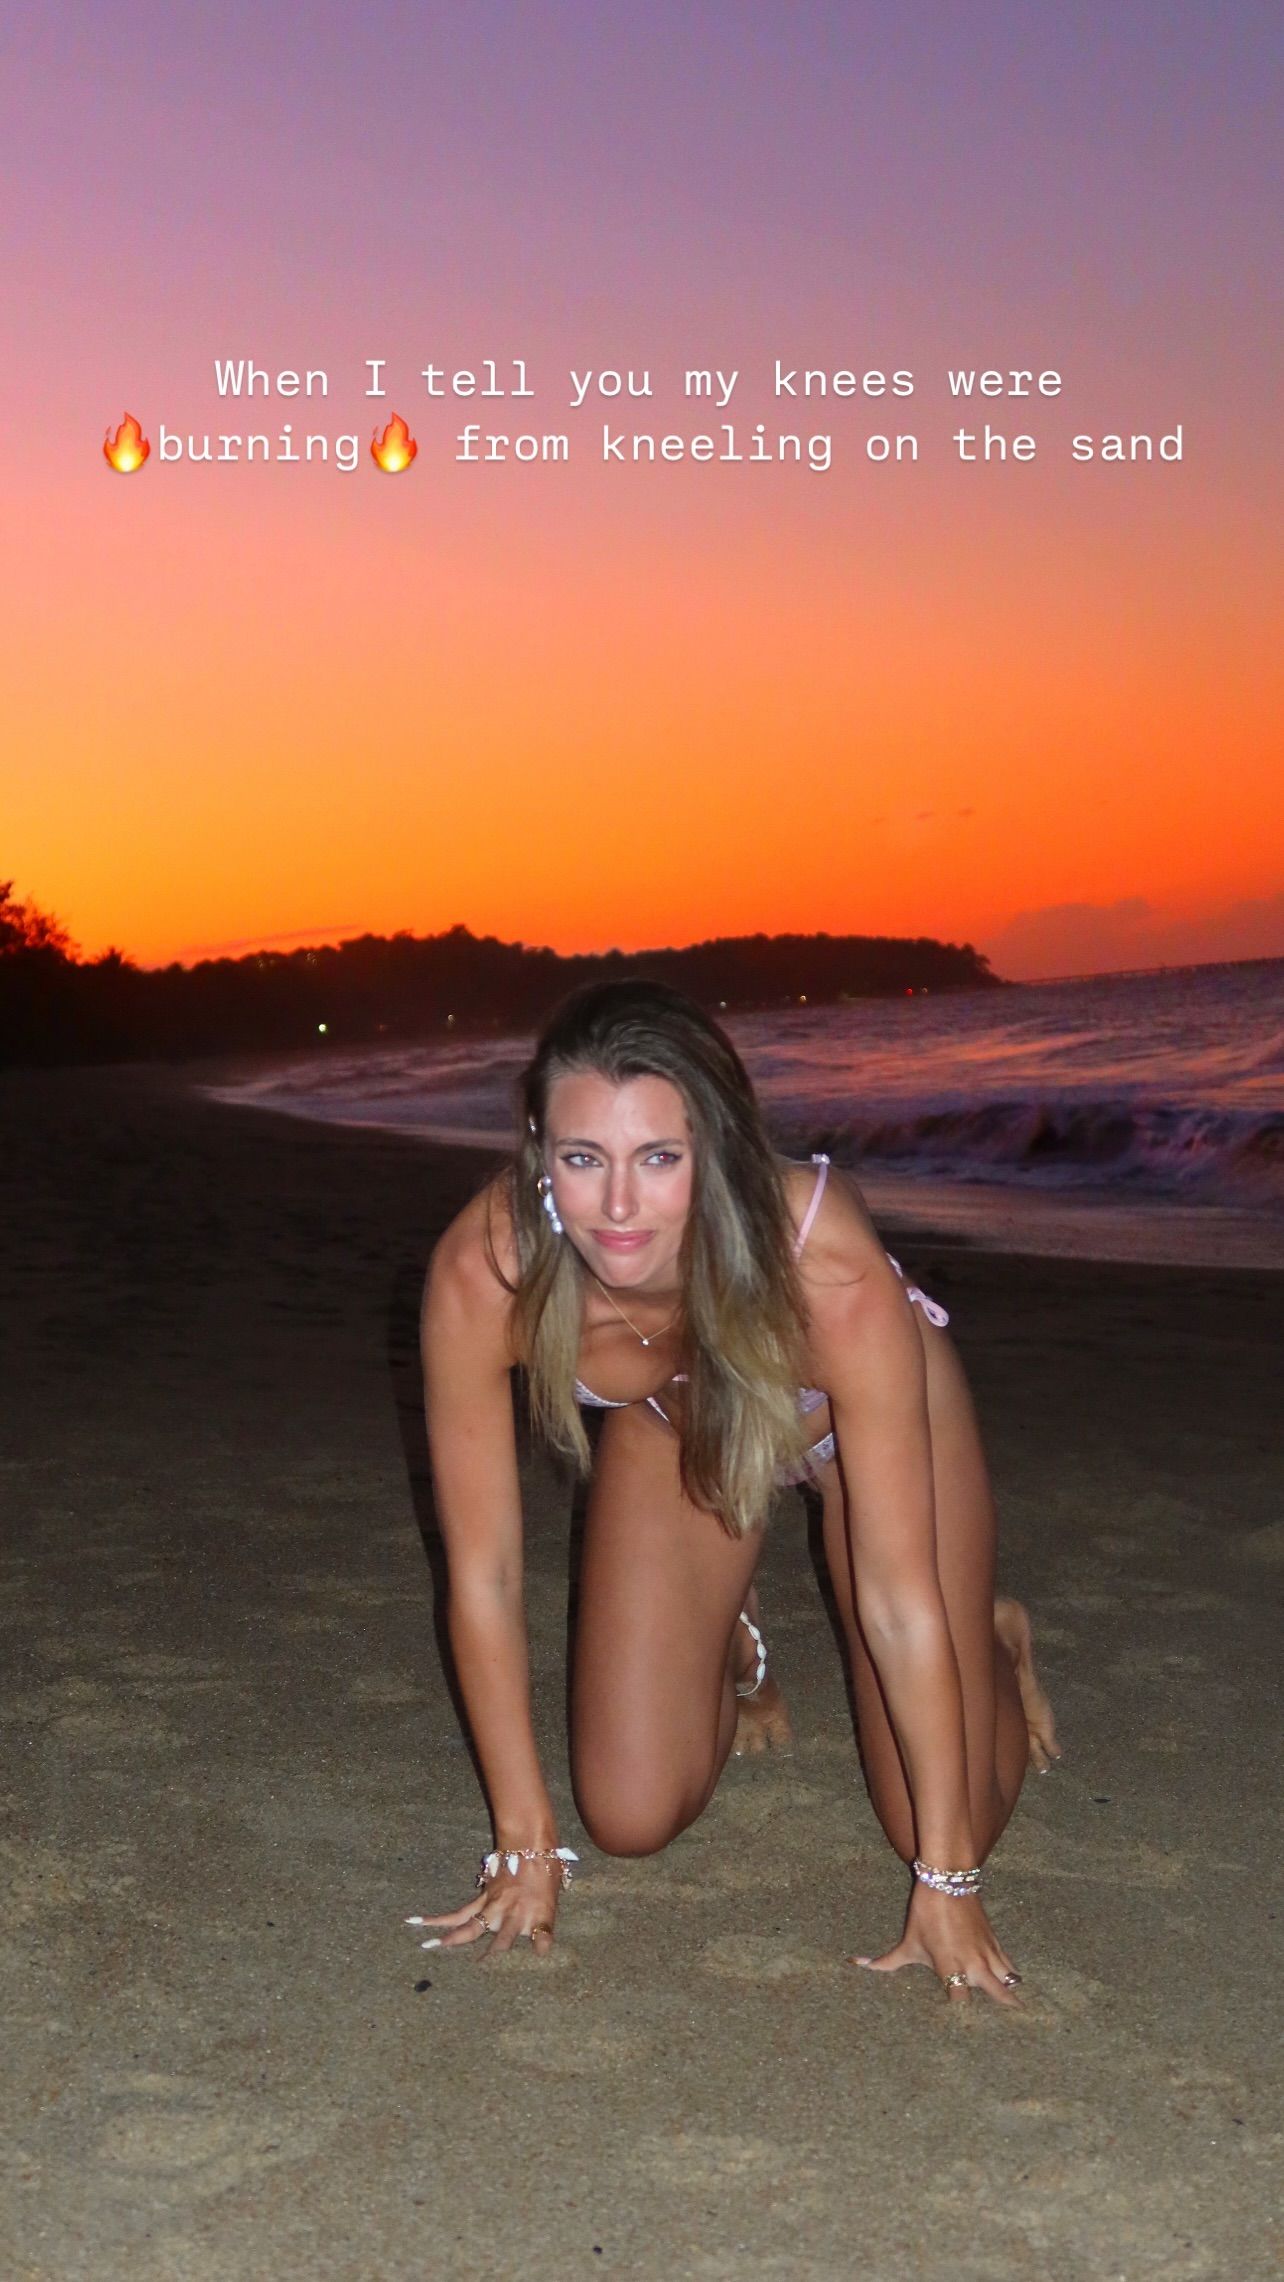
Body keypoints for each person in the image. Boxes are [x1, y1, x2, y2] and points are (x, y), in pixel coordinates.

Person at [409, 979, 1059, 2004]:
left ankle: (993, 1638)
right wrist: (523, 1842)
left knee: (938, 1818)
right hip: (678, 1430)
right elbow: (484, 1573)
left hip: (846, 1426)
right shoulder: (483, 1272)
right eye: (584, 1158)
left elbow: (896, 1601)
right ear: (539, 1146)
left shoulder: (821, 1257)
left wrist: (948, 1881)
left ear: (714, 1146)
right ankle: (734, 1639)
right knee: (627, 1815)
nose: (618, 1207)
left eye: (658, 1158)